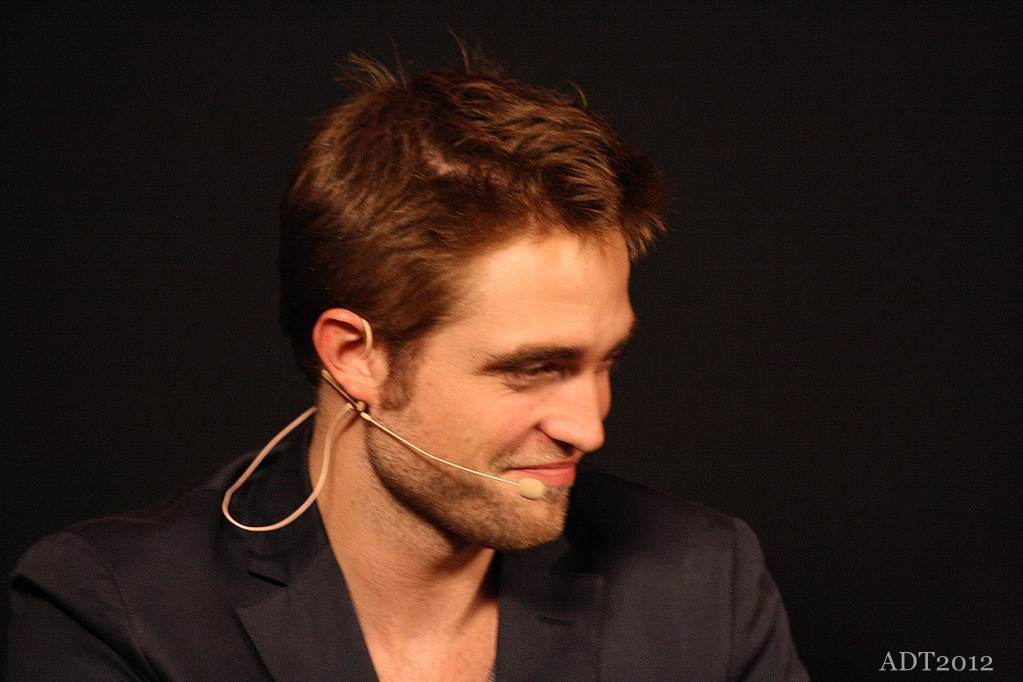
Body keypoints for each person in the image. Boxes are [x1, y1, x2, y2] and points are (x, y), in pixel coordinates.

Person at [7, 50, 808, 681]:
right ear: (356, 356)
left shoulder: (703, 584)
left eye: (608, 361)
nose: (588, 428)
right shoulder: (116, 610)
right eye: (534, 368)